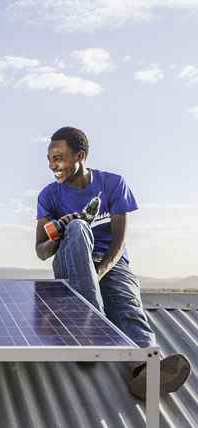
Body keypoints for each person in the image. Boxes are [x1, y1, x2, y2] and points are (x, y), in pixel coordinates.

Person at [35, 126, 190, 400]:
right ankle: (90, 329)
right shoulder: (49, 196)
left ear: (80, 156)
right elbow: (41, 251)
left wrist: (100, 271)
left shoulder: (113, 184)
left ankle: (144, 369)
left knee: (127, 306)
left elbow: (118, 242)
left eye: (58, 158)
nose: (52, 165)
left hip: (110, 263)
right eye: (49, 159)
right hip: (70, 263)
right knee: (78, 228)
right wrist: (60, 231)